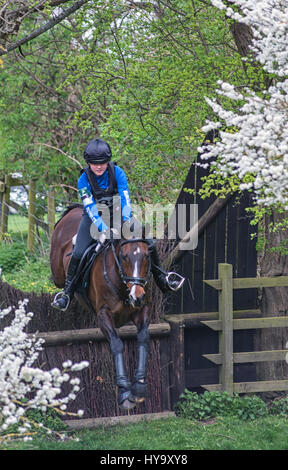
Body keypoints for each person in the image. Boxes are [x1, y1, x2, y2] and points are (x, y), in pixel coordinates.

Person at [51, 138, 184, 311]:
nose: (98, 167)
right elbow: (90, 206)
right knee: (77, 253)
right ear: (88, 163)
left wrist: (127, 219)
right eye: (94, 164)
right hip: (93, 219)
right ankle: (67, 293)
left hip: (119, 214)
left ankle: (163, 278)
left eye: (102, 163)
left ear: (108, 161)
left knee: (148, 242)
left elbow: (125, 198)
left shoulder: (118, 173)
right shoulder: (83, 180)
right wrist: (103, 228)